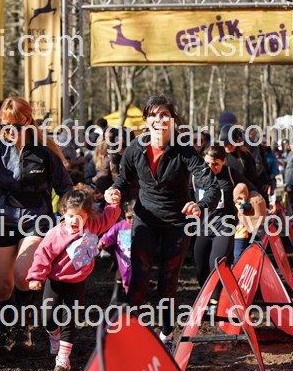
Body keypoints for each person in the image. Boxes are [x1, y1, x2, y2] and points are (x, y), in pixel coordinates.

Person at [105, 94, 220, 355]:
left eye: (165, 115)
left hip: (177, 222)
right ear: (146, 121)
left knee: (168, 280)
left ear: (172, 120)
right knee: (138, 278)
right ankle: (129, 333)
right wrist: (115, 190)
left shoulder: (183, 150)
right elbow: (123, 179)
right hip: (145, 218)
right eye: (154, 116)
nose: (159, 121)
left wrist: (200, 206)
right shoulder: (136, 148)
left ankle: (167, 336)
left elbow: (211, 185)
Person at [0, 97, 73, 352]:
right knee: (2, 287)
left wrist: (70, 219)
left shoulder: (44, 151)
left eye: (16, 126)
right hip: (3, 217)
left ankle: (23, 327)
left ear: (28, 122)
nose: (10, 131)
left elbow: (65, 188)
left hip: (36, 217)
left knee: (22, 275)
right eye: (6, 125)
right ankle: (4, 330)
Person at [26, 188, 121, 371]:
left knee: (69, 318)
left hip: (77, 282)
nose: (75, 221)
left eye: (80, 217)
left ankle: (63, 358)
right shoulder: (56, 234)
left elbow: (108, 218)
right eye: (71, 216)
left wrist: (113, 202)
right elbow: (42, 255)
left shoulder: (92, 226)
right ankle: (54, 335)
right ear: (63, 212)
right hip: (55, 281)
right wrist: (36, 276)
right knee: (48, 318)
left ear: (88, 215)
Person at [192, 145, 255, 310]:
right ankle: (206, 296)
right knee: (200, 267)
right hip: (203, 227)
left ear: (223, 162)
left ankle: (215, 301)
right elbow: (186, 196)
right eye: (207, 163)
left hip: (225, 227)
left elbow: (252, 190)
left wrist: (244, 204)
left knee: (216, 264)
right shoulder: (196, 176)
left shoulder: (231, 175)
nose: (211, 167)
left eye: (215, 164)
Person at [98, 201, 135, 305]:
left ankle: (131, 301)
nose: (132, 220)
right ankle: (118, 298)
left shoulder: (140, 227)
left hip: (136, 261)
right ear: (125, 214)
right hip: (123, 260)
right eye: (129, 217)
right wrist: (103, 242)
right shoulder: (120, 226)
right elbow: (109, 236)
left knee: (134, 282)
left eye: (135, 217)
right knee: (123, 276)